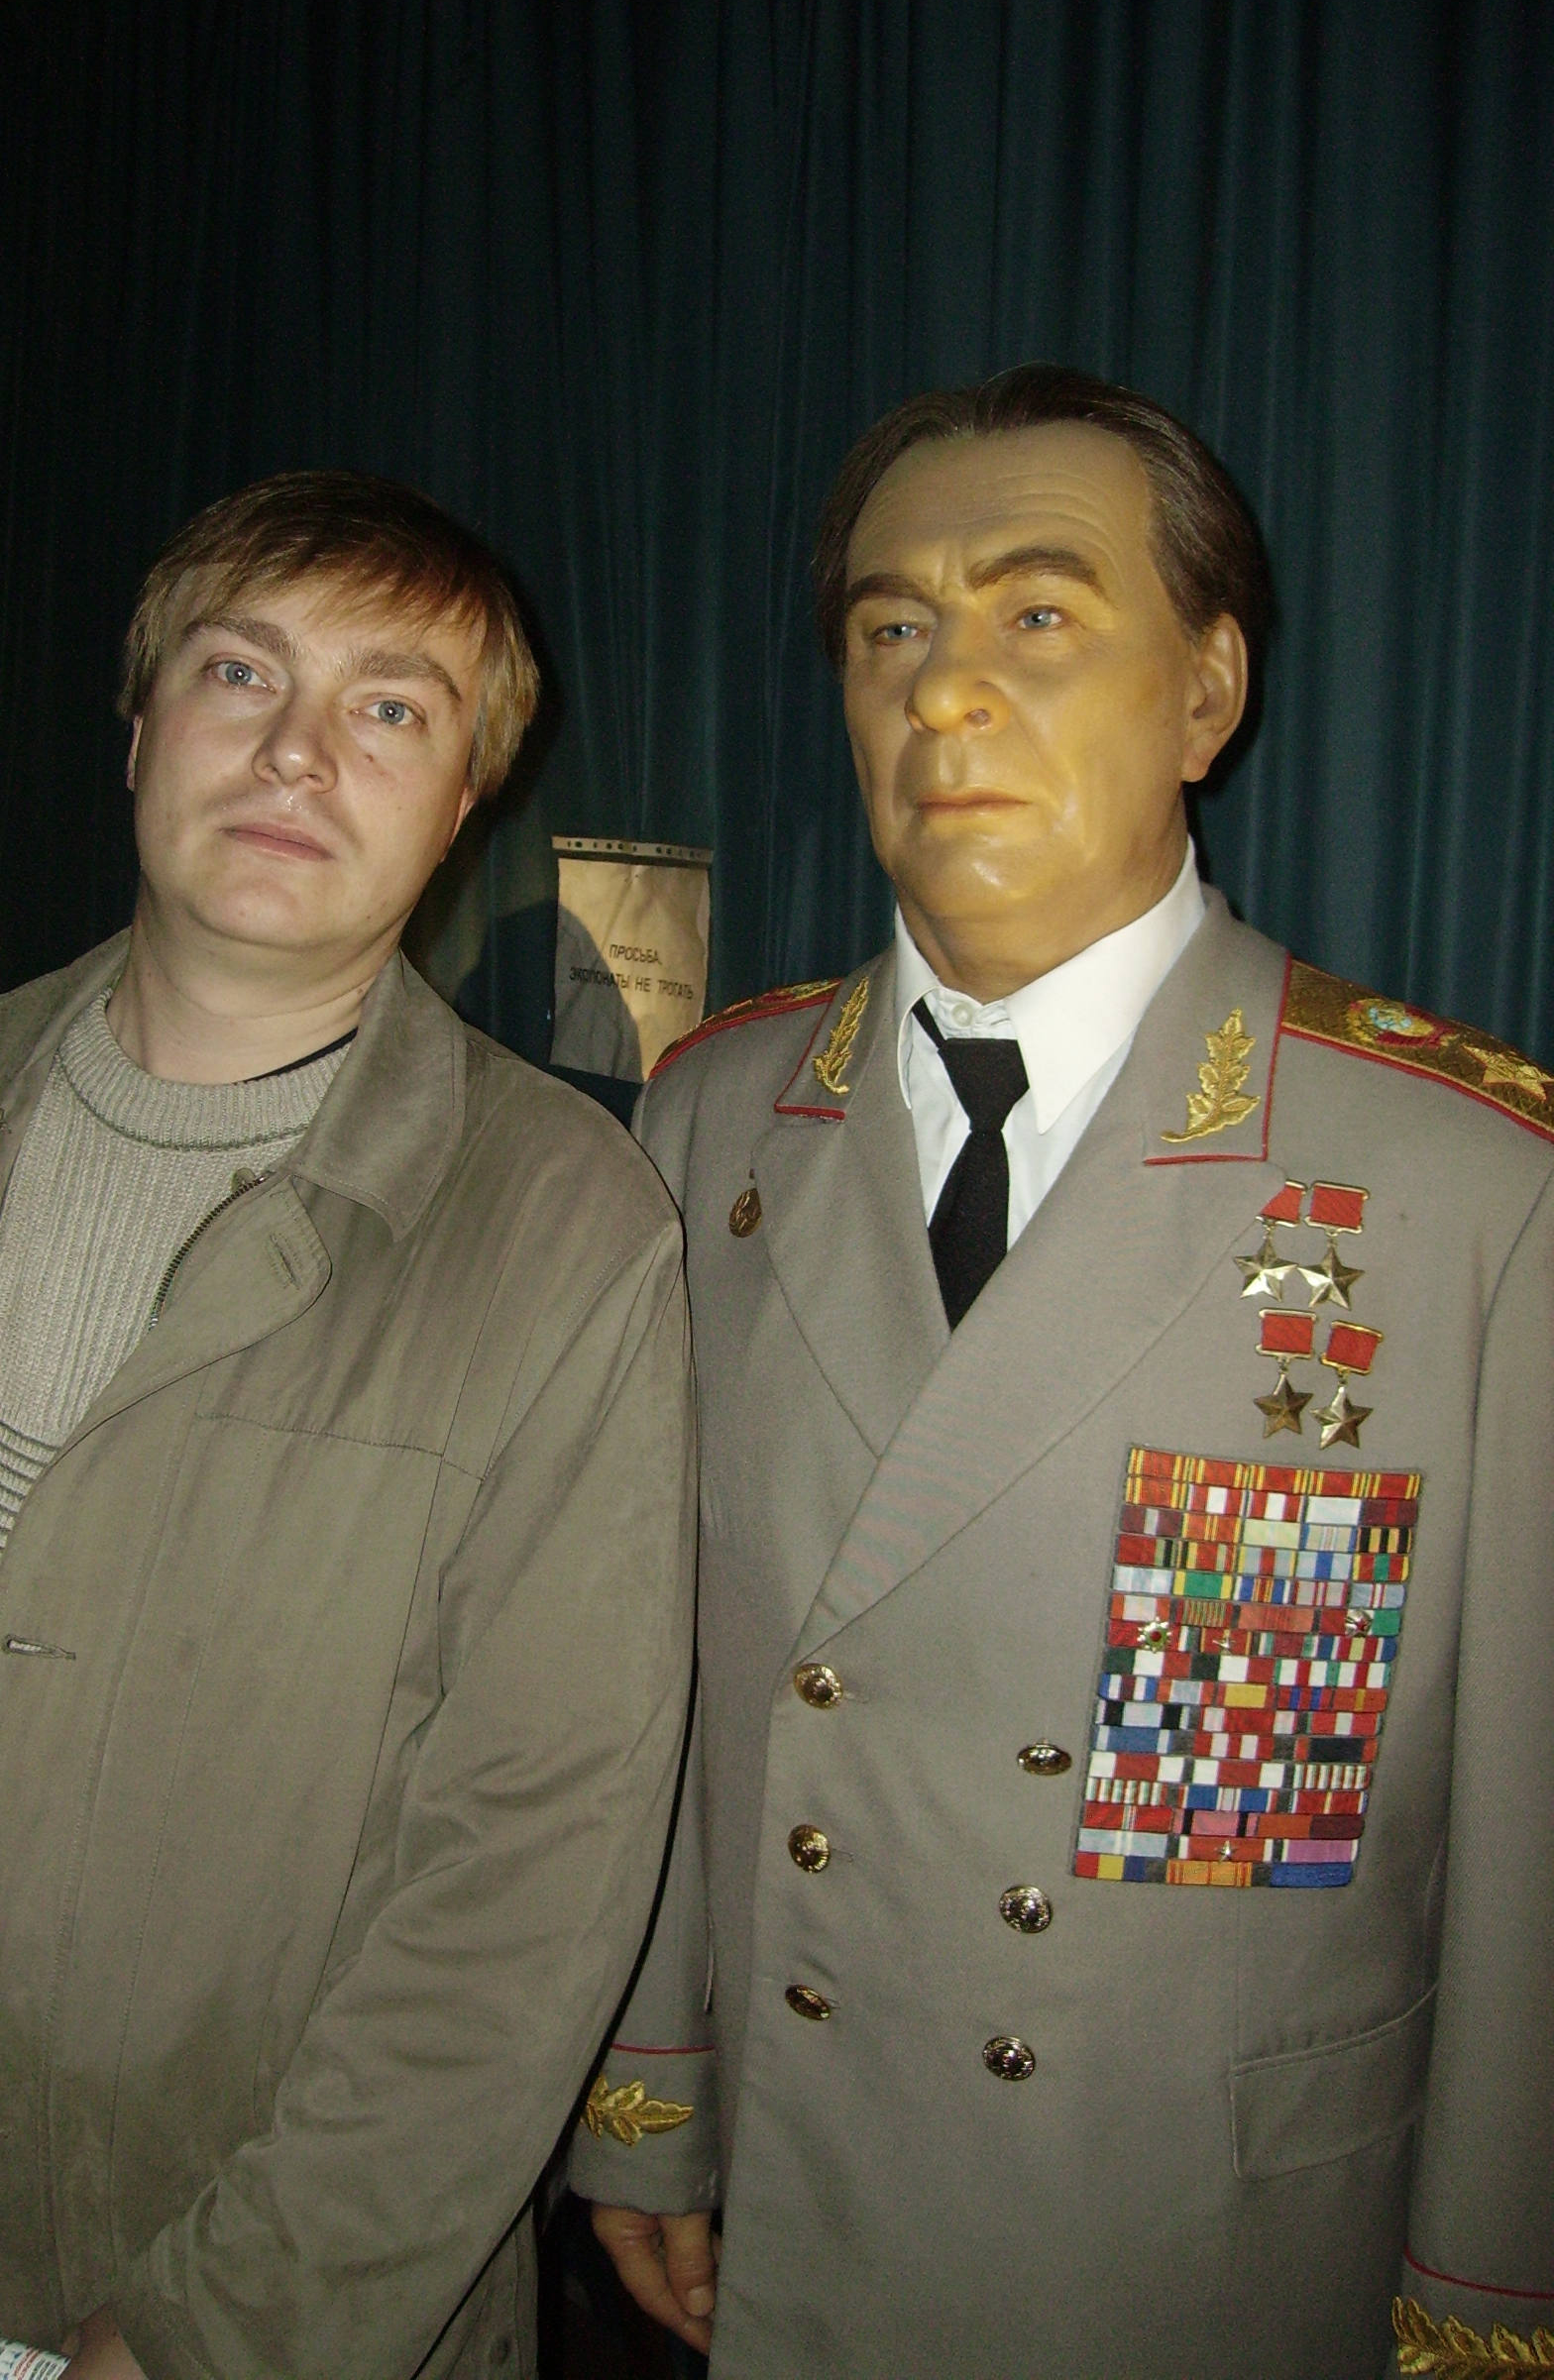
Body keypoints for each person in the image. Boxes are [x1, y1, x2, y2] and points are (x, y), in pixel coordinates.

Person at [0, 472, 697, 2380]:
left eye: (392, 707)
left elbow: (524, 1889)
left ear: (466, 800)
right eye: (240, 672)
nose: (298, 749)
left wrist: (230, 2327)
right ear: (139, 726)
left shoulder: (564, 1231)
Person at [571, 368, 1554, 2377]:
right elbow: (651, 1661)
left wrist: (1489, 2290)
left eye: (1037, 613)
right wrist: (652, 2089)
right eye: (889, 628)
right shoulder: (716, 1118)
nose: (942, 690)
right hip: (806, 2183)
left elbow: (1533, 1820)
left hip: (1210, 2235)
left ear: (1207, 692)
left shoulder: (1465, 1179)